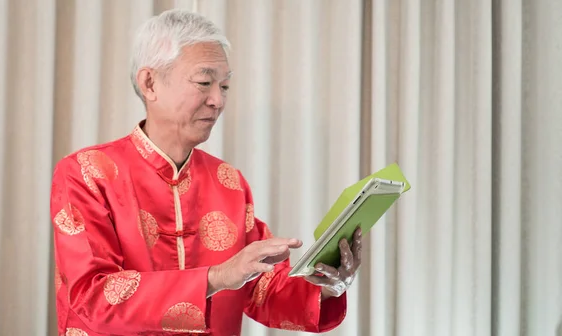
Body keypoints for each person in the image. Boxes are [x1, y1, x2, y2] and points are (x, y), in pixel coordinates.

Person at [50, 9, 363, 336]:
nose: (217, 100)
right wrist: (216, 277)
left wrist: (328, 285)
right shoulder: (87, 173)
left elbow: (260, 288)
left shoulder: (229, 183)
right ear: (150, 83)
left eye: (225, 86)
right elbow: (92, 296)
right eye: (204, 82)